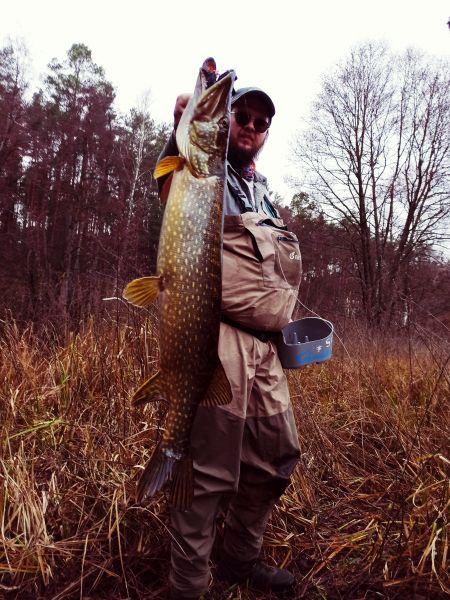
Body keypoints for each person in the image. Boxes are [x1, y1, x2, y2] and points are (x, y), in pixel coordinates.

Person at [158, 85, 302, 600]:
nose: (251, 126)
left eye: (262, 122)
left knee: (277, 458)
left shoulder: (261, 193)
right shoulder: (204, 175)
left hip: (267, 353)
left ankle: (239, 558)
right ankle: (188, 587)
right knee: (207, 476)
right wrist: (179, 130)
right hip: (218, 341)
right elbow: (173, 187)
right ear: (228, 123)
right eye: (242, 115)